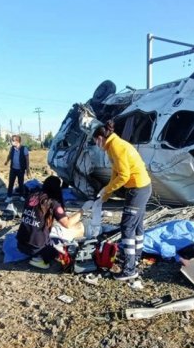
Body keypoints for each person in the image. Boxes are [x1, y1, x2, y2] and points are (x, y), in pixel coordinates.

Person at [92, 120, 152, 280]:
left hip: (138, 189)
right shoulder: (113, 145)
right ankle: (136, 258)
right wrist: (106, 194)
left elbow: (124, 176)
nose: (96, 145)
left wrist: (108, 189)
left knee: (127, 227)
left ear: (100, 138)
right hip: (141, 187)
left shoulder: (117, 147)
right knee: (137, 225)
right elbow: (116, 172)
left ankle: (129, 269)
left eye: (95, 142)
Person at [16, 176, 83, 269]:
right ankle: (39, 260)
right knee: (58, 253)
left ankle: (36, 254)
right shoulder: (52, 202)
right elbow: (67, 224)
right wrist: (82, 211)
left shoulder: (32, 196)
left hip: (20, 244)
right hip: (35, 247)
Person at [4, 134, 30, 202]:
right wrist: (7, 161)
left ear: (17, 141)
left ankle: (21, 196)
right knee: (11, 183)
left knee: (21, 183)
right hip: (13, 169)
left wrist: (28, 169)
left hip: (21, 169)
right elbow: (9, 155)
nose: (11, 142)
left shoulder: (24, 149)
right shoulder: (12, 148)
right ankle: (9, 196)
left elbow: (27, 159)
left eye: (13, 140)